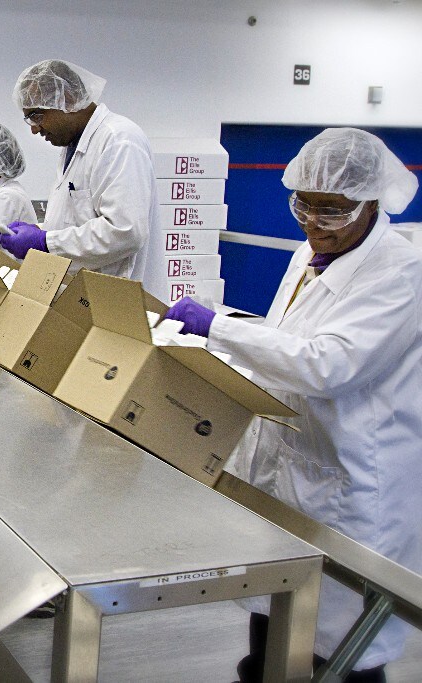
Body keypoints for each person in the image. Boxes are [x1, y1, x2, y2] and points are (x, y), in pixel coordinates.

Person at [165, 128, 422, 682]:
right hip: (296, 464)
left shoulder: (400, 271)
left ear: (371, 202)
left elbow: (328, 365)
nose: (313, 224)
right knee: (273, 623)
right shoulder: (314, 253)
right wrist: (218, 340)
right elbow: (287, 339)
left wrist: (220, 329)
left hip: (354, 479)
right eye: (303, 206)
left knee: (342, 648)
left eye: (332, 211)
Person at [0, 59, 167, 300]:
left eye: (36, 116)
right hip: (86, 297)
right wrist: (41, 232)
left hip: (122, 302)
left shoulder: (119, 140)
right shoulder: (72, 146)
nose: (34, 128)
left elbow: (125, 231)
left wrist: (46, 242)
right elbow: (78, 218)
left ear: (66, 99)